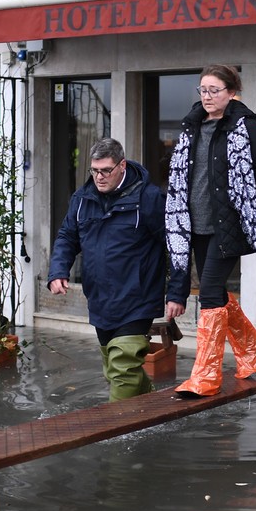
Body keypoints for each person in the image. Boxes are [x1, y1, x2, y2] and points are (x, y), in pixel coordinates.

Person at [164, 64, 256, 397]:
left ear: (231, 92)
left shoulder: (246, 128)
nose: (208, 96)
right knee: (218, 294)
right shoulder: (191, 126)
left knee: (209, 291)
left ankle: (206, 377)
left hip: (228, 225)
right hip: (193, 223)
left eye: (214, 90)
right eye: (203, 90)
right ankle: (252, 346)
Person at [48, 138, 185, 402]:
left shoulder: (148, 197)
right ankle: (153, 406)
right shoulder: (82, 199)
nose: (99, 177)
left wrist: (177, 293)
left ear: (122, 165)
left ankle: (118, 434)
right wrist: (58, 271)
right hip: (100, 298)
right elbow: (67, 236)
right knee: (116, 369)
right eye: (94, 170)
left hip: (138, 297)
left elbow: (175, 243)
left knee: (122, 368)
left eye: (106, 170)